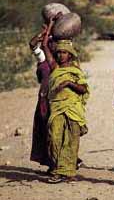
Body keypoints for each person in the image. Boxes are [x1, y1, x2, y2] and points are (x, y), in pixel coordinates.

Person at [42, 18, 90, 183]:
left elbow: (84, 89)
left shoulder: (76, 70)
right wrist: (50, 26)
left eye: (64, 52)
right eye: (59, 52)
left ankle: (67, 172)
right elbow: (44, 46)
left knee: (71, 140)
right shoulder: (54, 67)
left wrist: (69, 83)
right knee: (54, 138)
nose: (61, 55)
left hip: (72, 109)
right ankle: (56, 169)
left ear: (70, 54)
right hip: (56, 108)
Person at [29, 26, 52, 173]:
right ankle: (52, 163)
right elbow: (32, 44)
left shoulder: (63, 58)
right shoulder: (43, 57)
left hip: (57, 100)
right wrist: (44, 32)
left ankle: (68, 161)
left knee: (56, 131)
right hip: (44, 100)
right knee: (44, 130)